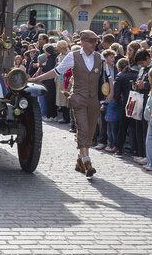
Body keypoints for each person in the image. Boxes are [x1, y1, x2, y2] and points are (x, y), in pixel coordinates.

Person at [31, 30, 102, 177]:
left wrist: (108, 95)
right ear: (82, 42)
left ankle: (79, 160)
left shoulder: (99, 57)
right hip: (78, 98)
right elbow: (56, 72)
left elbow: (107, 80)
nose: (94, 44)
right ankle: (87, 163)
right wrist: (37, 79)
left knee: (89, 132)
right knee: (82, 128)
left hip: (93, 100)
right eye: (91, 41)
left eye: (96, 42)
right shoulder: (73, 56)